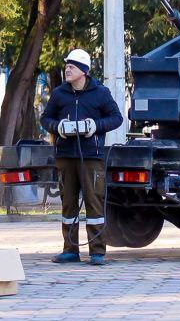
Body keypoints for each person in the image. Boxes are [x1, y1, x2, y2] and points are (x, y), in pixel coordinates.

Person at [39, 48, 124, 266]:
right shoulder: (59, 94)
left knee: (94, 203)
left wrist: (95, 126)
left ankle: (97, 252)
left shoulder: (100, 93)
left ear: (83, 71)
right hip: (66, 156)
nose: (67, 69)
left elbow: (116, 118)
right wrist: (58, 127)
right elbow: (45, 118)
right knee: (68, 204)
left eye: (72, 66)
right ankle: (70, 250)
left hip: (91, 157)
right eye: (67, 65)